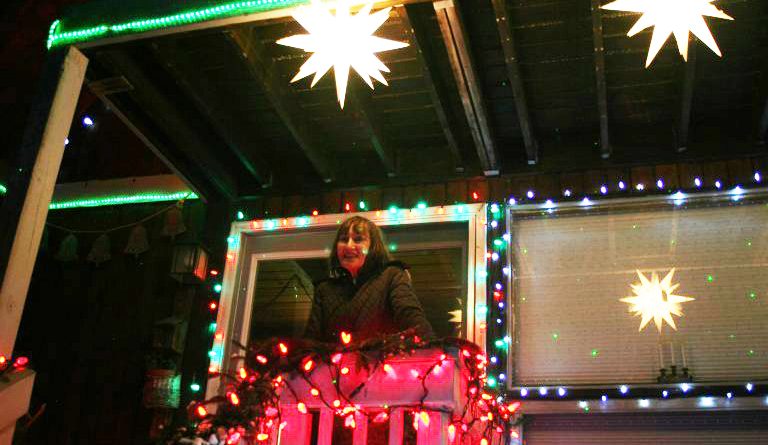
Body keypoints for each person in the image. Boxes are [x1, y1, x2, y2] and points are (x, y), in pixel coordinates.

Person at [304, 216, 433, 343]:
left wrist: (432, 348)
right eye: (343, 239)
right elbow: (310, 343)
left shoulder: (392, 276)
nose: (349, 245)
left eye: (358, 239)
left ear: (373, 247)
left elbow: (412, 318)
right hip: (334, 364)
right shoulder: (324, 290)